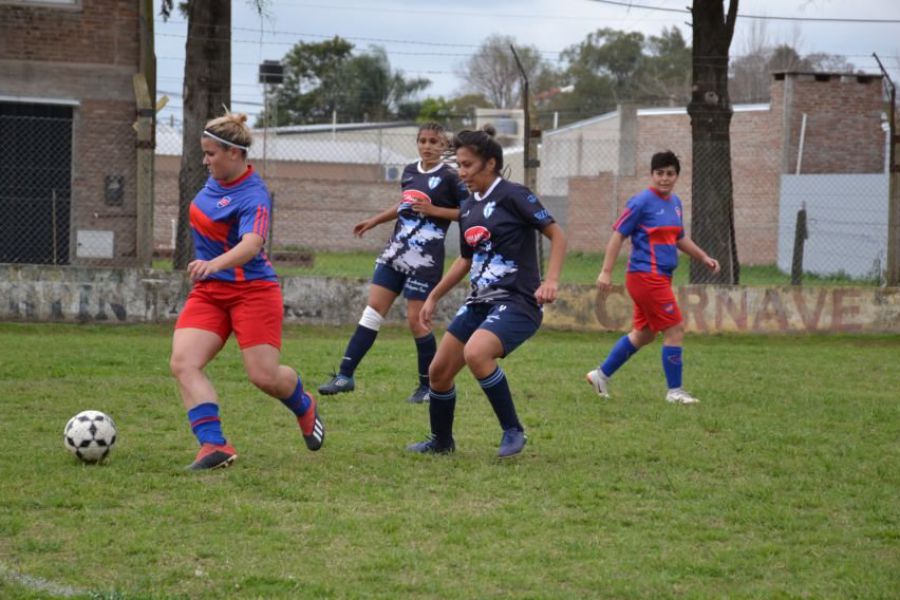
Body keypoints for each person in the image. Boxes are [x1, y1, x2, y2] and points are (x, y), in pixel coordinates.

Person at [169, 112, 324, 470]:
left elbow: (252, 243)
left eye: (211, 154)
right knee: (183, 363)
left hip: (252, 292)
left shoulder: (254, 194)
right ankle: (214, 445)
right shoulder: (214, 181)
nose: (205, 161)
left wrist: (214, 263)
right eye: (204, 153)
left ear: (235, 154)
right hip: (210, 293)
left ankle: (303, 403)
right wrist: (211, 270)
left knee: (263, 377)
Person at [407, 125, 567, 458]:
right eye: (459, 165)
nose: (461, 173)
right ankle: (441, 442)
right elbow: (465, 261)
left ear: (490, 164)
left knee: (477, 353)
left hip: (518, 301)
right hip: (479, 302)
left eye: (467, 165)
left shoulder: (514, 195)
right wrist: (434, 295)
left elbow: (557, 235)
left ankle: (513, 430)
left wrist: (550, 280)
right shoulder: (467, 207)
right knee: (438, 373)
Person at [317, 122, 468, 403]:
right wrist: (375, 220)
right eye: (422, 140)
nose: (427, 146)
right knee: (372, 311)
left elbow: (468, 212)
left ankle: (429, 387)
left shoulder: (451, 178)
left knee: (416, 321)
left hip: (424, 259)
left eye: (434, 141)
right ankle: (344, 375)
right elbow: (404, 205)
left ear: (444, 146)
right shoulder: (410, 171)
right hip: (395, 254)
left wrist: (435, 210)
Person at [585, 150, 720, 404]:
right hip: (645, 276)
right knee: (675, 329)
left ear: (676, 176)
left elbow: (679, 237)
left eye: (670, 173)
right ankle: (675, 391)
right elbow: (617, 235)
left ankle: (600, 375)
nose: (664, 178)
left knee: (644, 334)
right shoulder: (640, 202)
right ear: (652, 174)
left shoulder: (676, 203)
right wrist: (605, 271)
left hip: (662, 277)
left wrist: (703, 257)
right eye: (660, 173)